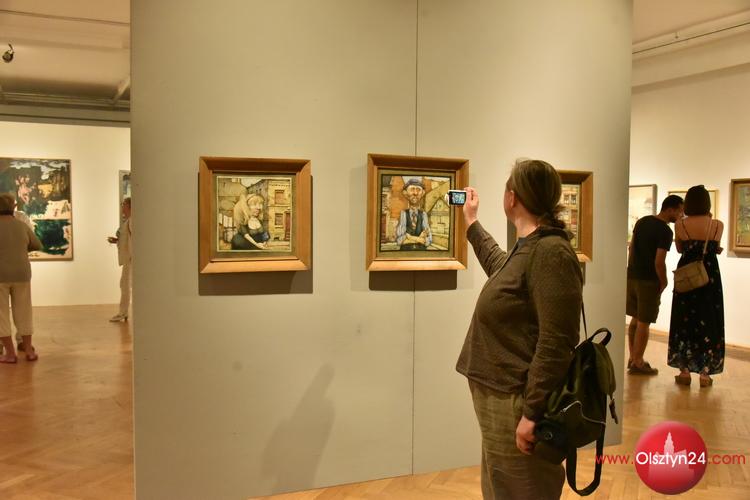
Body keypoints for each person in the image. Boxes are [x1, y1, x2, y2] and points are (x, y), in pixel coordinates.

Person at [455, 159, 583, 499]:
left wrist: (532, 413)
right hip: (501, 394)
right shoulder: (532, 245)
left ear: (512, 198)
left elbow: (557, 342)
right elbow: (501, 268)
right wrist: (472, 223)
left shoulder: (551, 252)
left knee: (522, 488)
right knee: (501, 486)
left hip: (516, 398)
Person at [669, 185, 725, 388]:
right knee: (709, 320)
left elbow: (679, 248)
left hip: (687, 274)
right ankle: (705, 374)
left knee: (684, 320)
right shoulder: (717, 225)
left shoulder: (680, 225)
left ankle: (684, 371)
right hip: (709, 275)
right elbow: (713, 247)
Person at [626, 195, 684, 375]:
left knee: (635, 318)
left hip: (632, 276)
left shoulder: (642, 221)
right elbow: (659, 261)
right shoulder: (665, 231)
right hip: (649, 280)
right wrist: (663, 281)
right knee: (644, 322)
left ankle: (633, 357)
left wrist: (631, 270)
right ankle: (638, 361)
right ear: (671, 209)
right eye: (680, 211)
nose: (681, 215)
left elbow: (631, 248)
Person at [0, 192, 42, 363]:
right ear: (13, 207)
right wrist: (20, 249)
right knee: (24, 311)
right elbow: (37, 244)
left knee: (1, 314)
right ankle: (29, 351)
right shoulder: (22, 225)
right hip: (22, 273)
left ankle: (10, 354)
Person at [107, 198, 132, 322]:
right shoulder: (129, 221)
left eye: (123, 205)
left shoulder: (132, 222)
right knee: (124, 284)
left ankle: (123, 312)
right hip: (129, 259)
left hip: (131, 259)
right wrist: (117, 240)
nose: (122, 208)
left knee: (126, 285)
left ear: (129, 207)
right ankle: (123, 312)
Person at [395, 178, 432, 250]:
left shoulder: (423, 214)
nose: (415, 193)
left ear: (422, 193)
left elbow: (428, 240)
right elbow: (399, 240)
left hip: (421, 253)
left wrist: (409, 237)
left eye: (418, 190)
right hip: (405, 253)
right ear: (405, 193)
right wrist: (419, 239)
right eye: (412, 189)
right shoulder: (403, 214)